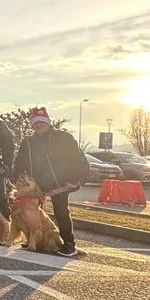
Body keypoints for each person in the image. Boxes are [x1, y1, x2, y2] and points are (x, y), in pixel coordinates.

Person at [13, 107, 90, 257]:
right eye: (35, 123)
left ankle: (69, 244)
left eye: (42, 122)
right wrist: (17, 177)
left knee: (61, 211)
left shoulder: (63, 138)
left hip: (60, 182)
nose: (39, 125)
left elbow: (78, 159)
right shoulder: (28, 142)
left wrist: (74, 180)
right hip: (37, 184)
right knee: (32, 213)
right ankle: (35, 239)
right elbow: (19, 163)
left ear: (48, 122)